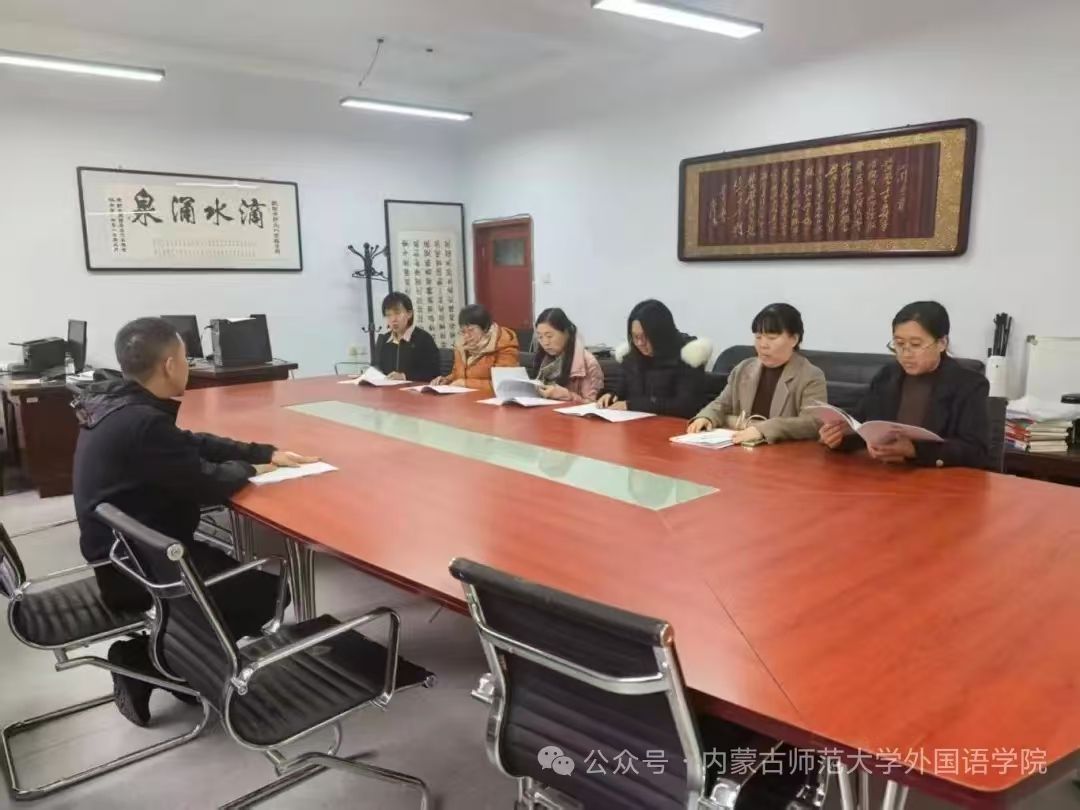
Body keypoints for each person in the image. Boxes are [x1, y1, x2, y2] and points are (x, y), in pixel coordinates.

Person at [73, 317, 317, 726]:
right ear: (170, 365)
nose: (188, 365)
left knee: (239, 581)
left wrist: (263, 452)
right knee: (272, 594)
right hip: (141, 570)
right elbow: (208, 485)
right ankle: (150, 660)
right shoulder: (142, 423)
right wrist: (253, 469)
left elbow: (191, 443)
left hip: (120, 557)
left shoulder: (118, 406)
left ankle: (167, 662)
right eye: (185, 358)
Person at [819, 301, 990, 469]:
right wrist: (840, 437)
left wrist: (914, 450)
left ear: (941, 343)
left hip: (938, 480)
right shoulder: (887, 376)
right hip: (885, 475)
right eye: (899, 344)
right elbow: (864, 426)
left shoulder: (969, 384)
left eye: (915, 345)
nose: (906, 354)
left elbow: (976, 451)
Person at [687, 303, 826, 445]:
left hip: (783, 453)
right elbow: (721, 404)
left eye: (772, 338)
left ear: (794, 339)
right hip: (739, 449)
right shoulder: (743, 368)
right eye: (758, 337)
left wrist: (763, 429)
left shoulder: (810, 375)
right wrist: (706, 417)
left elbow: (812, 423)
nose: (763, 345)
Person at [596, 299, 711, 418]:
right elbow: (621, 390)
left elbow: (686, 406)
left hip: (675, 425)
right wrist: (611, 395)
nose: (640, 343)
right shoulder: (632, 357)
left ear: (660, 334)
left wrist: (632, 405)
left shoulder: (688, 357)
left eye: (645, 337)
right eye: (635, 337)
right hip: (636, 424)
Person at [431, 304, 519, 394]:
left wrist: (466, 384)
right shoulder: (462, 346)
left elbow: (503, 384)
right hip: (464, 398)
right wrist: (447, 380)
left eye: (471, 330)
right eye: (463, 331)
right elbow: (458, 374)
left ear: (485, 328)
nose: (466, 336)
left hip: (490, 400)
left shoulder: (504, 346)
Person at [530, 308, 604, 403]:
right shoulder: (543, 357)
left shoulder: (588, 362)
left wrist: (567, 395)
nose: (545, 342)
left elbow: (591, 404)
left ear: (566, 332)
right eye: (540, 337)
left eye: (549, 336)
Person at [373, 292, 441, 382]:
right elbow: (375, 369)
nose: (393, 319)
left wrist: (404, 376)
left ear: (409, 314)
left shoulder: (424, 339)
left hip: (414, 390)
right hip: (387, 389)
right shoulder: (384, 340)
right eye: (388, 315)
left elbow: (434, 373)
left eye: (397, 313)